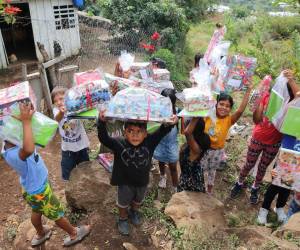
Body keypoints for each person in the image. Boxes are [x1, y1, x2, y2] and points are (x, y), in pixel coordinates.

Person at [1, 102, 90, 247]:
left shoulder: (9, 144)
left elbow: (28, 134)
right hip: (39, 190)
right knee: (57, 213)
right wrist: (26, 122)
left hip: (30, 188)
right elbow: (29, 149)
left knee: (37, 211)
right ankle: (74, 233)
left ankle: (41, 233)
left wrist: (29, 117)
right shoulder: (16, 153)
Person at [97, 110, 178, 236]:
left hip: (142, 181)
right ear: (125, 133)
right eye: (130, 131)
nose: (135, 135)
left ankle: (134, 211)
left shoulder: (150, 142)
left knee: (138, 200)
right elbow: (104, 138)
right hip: (124, 182)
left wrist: (171, 123)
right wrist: (101, 122)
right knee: (123, 203)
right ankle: (122, 218)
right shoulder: (119, 143)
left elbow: (162, 131)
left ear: (145, 133)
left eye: (139, 131)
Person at [231, 70, 300, 204]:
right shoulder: (266, 97)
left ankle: (255, 187)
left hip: (274, 143)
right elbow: (256, 120)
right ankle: (239, 182)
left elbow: (298, 94)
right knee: (248, 164)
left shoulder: (290, 102)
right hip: (258, 138)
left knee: (263, 167)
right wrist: (259, 104)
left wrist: (291, 80)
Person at [201, 86, 253, 194]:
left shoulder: (229, 120)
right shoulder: (207, 115)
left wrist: (248, 91)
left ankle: (209, 190)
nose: (224, 108)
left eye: (228, 106)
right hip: (203, 150)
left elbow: (240, 111)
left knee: (212, 171)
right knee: (201, 170)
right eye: (221, 104)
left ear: (230, 109)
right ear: (216, 104)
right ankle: (199, 186)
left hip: (217, 151)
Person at [257, 134, 300, 225]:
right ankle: (264, 209)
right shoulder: (290, 130)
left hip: (296, 168)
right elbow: (282, 148)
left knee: (287, 188)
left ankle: (280, 207)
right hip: (283, 163)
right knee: (274, 186)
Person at [51, 87, 90, 181]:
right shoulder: (56, 110)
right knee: (67, 172)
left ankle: (86, 185)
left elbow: (87, 110)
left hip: (82, 147)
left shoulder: (76, 108)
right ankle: (68, 187)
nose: (59, 102)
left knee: (86, 169)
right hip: (68, 149)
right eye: (55, 101)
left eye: (61, 99)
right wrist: (61, 112)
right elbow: (57, 118)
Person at [153, 88, 179, 190]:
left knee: (173, 166)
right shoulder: (157, 113)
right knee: (161, 161)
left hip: (172, 144)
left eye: (170, 103)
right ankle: (162, 176)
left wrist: (176, 121)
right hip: (160, 143)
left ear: (174, 102)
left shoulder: (177, 113)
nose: (167, 106)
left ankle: (175, 186)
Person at [177, 117, 211, 192]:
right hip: (189, 177)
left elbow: (187, 132)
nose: (184, 125)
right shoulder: (194, 143)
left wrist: (196, 117)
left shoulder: (195, 149)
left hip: (191, 183)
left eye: (186, 125)